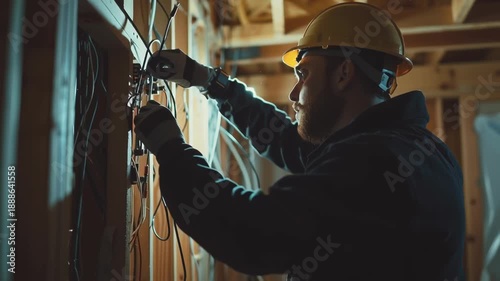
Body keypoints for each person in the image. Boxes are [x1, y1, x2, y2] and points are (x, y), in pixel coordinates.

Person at [135, 3, 465, 281]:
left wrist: (171, 149)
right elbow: (289, 141)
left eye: (303, 74)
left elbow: (254, 232)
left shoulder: (375, 162)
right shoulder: (406, 148)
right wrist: (209, 81)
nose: (294, 94)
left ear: (344, 73)